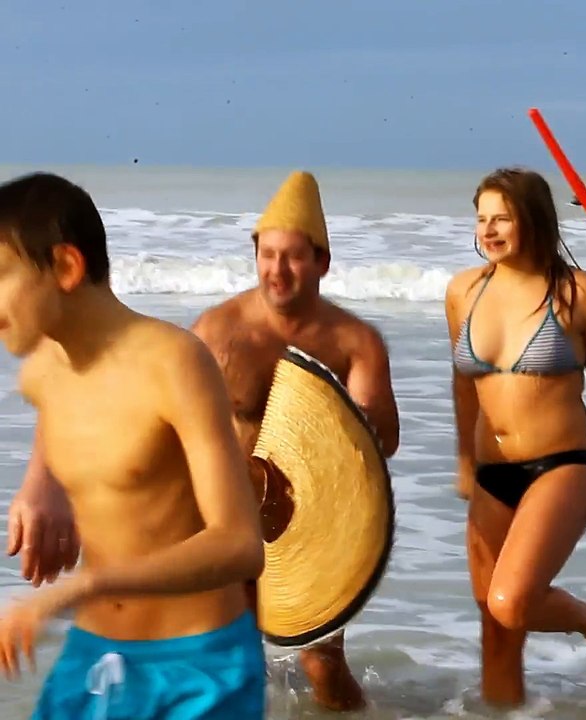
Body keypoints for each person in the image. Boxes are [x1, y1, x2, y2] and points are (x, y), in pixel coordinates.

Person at [0, 172, 267, 717]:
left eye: (0, 274)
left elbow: (240, 543)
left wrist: (85, 584)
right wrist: (39, 485)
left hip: (197, 671)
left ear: (67, 268)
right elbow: (64, 404)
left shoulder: (174, 364)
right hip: (94, 658)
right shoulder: (41, 370)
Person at [185, 170, 401, 712]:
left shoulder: (354, 342)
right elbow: (170, 427)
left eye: (294, 256)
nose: (277, 270)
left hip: (314, 524)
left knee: (322, 666)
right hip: (230, 517)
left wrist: (348, 418)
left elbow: (386, 441)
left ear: (322, 262)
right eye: (268, 255)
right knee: (227, 660)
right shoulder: (217, 331)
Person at [446, 167, 586, 707]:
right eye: (481, 218)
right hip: (493, 473)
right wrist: (465, 461)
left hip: (562, 467)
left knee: (511, 602)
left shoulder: (579, 293)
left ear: (533, 218)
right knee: (496, 628)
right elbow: (464, 385)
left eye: (501, 218)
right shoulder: (464, 291)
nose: (488, 230)